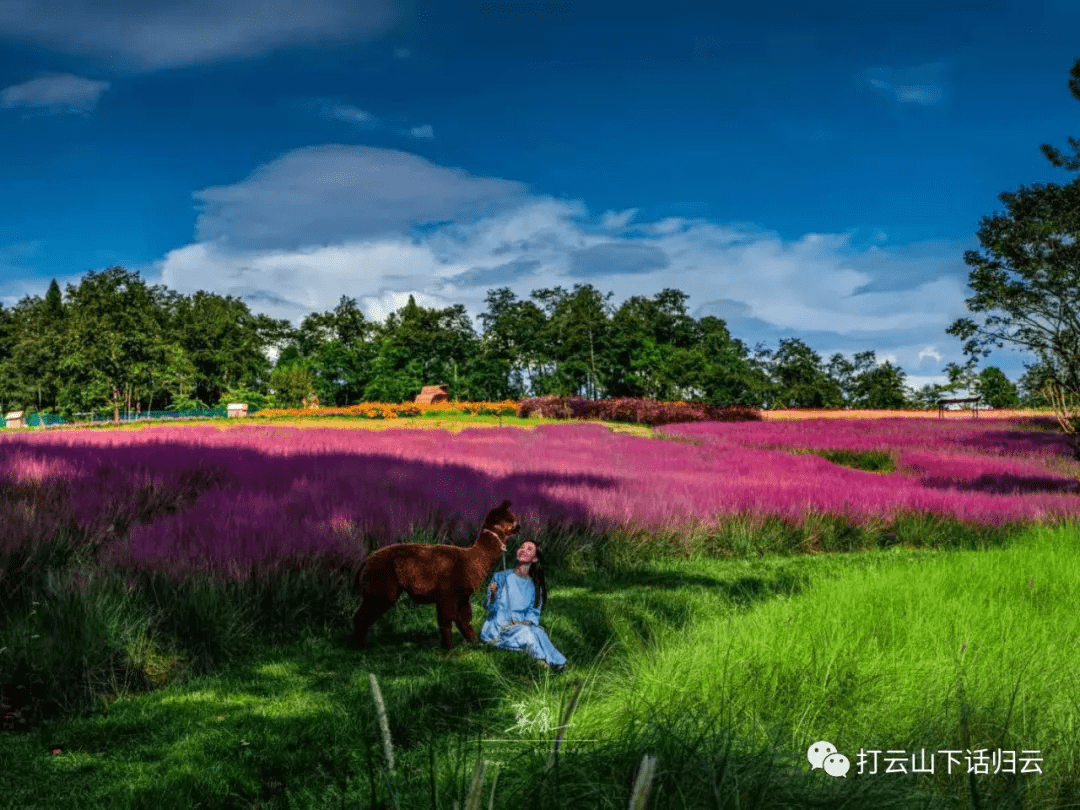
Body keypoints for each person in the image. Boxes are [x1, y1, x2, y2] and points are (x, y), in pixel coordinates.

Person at [480, 540, 567, 670]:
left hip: (519, 626)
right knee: (527, 634)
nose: (523, 550)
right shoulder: (500, 577)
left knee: (538, 632)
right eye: (521, 547)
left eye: (529, 549)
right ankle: (541, 661)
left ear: (535, 559)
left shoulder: (535, 586)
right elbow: (490, 609)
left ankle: (559, 663)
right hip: (499, 630)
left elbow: (533, 613)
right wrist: (492, 595)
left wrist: (526, 623)